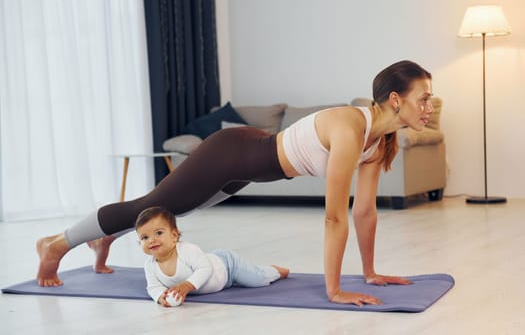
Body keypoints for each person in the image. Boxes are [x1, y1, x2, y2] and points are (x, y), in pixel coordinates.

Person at [36, 60, 433, 306]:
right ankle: (57, 243)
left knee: (174, 209)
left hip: (246, 167)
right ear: (395, 99)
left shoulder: (379, 143)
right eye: (424, 99)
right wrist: (334, 291)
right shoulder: (350, 125)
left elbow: (364, 211)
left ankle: (104, 236)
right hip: (231, 154)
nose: (429, 108)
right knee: (156, 205)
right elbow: (334, 217)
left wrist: (369, 272)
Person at [135, 206, 289, 306]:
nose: (152, 240)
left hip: (227, 266)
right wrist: (161, 297)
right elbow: (153, 286)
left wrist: (187, 286)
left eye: (159, 233)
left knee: (257, 279)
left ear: (174, 235)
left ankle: (273, 270)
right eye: (144, 238)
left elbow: (205, 268)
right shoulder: (150, 265)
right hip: (216, 275)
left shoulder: (186, 250)